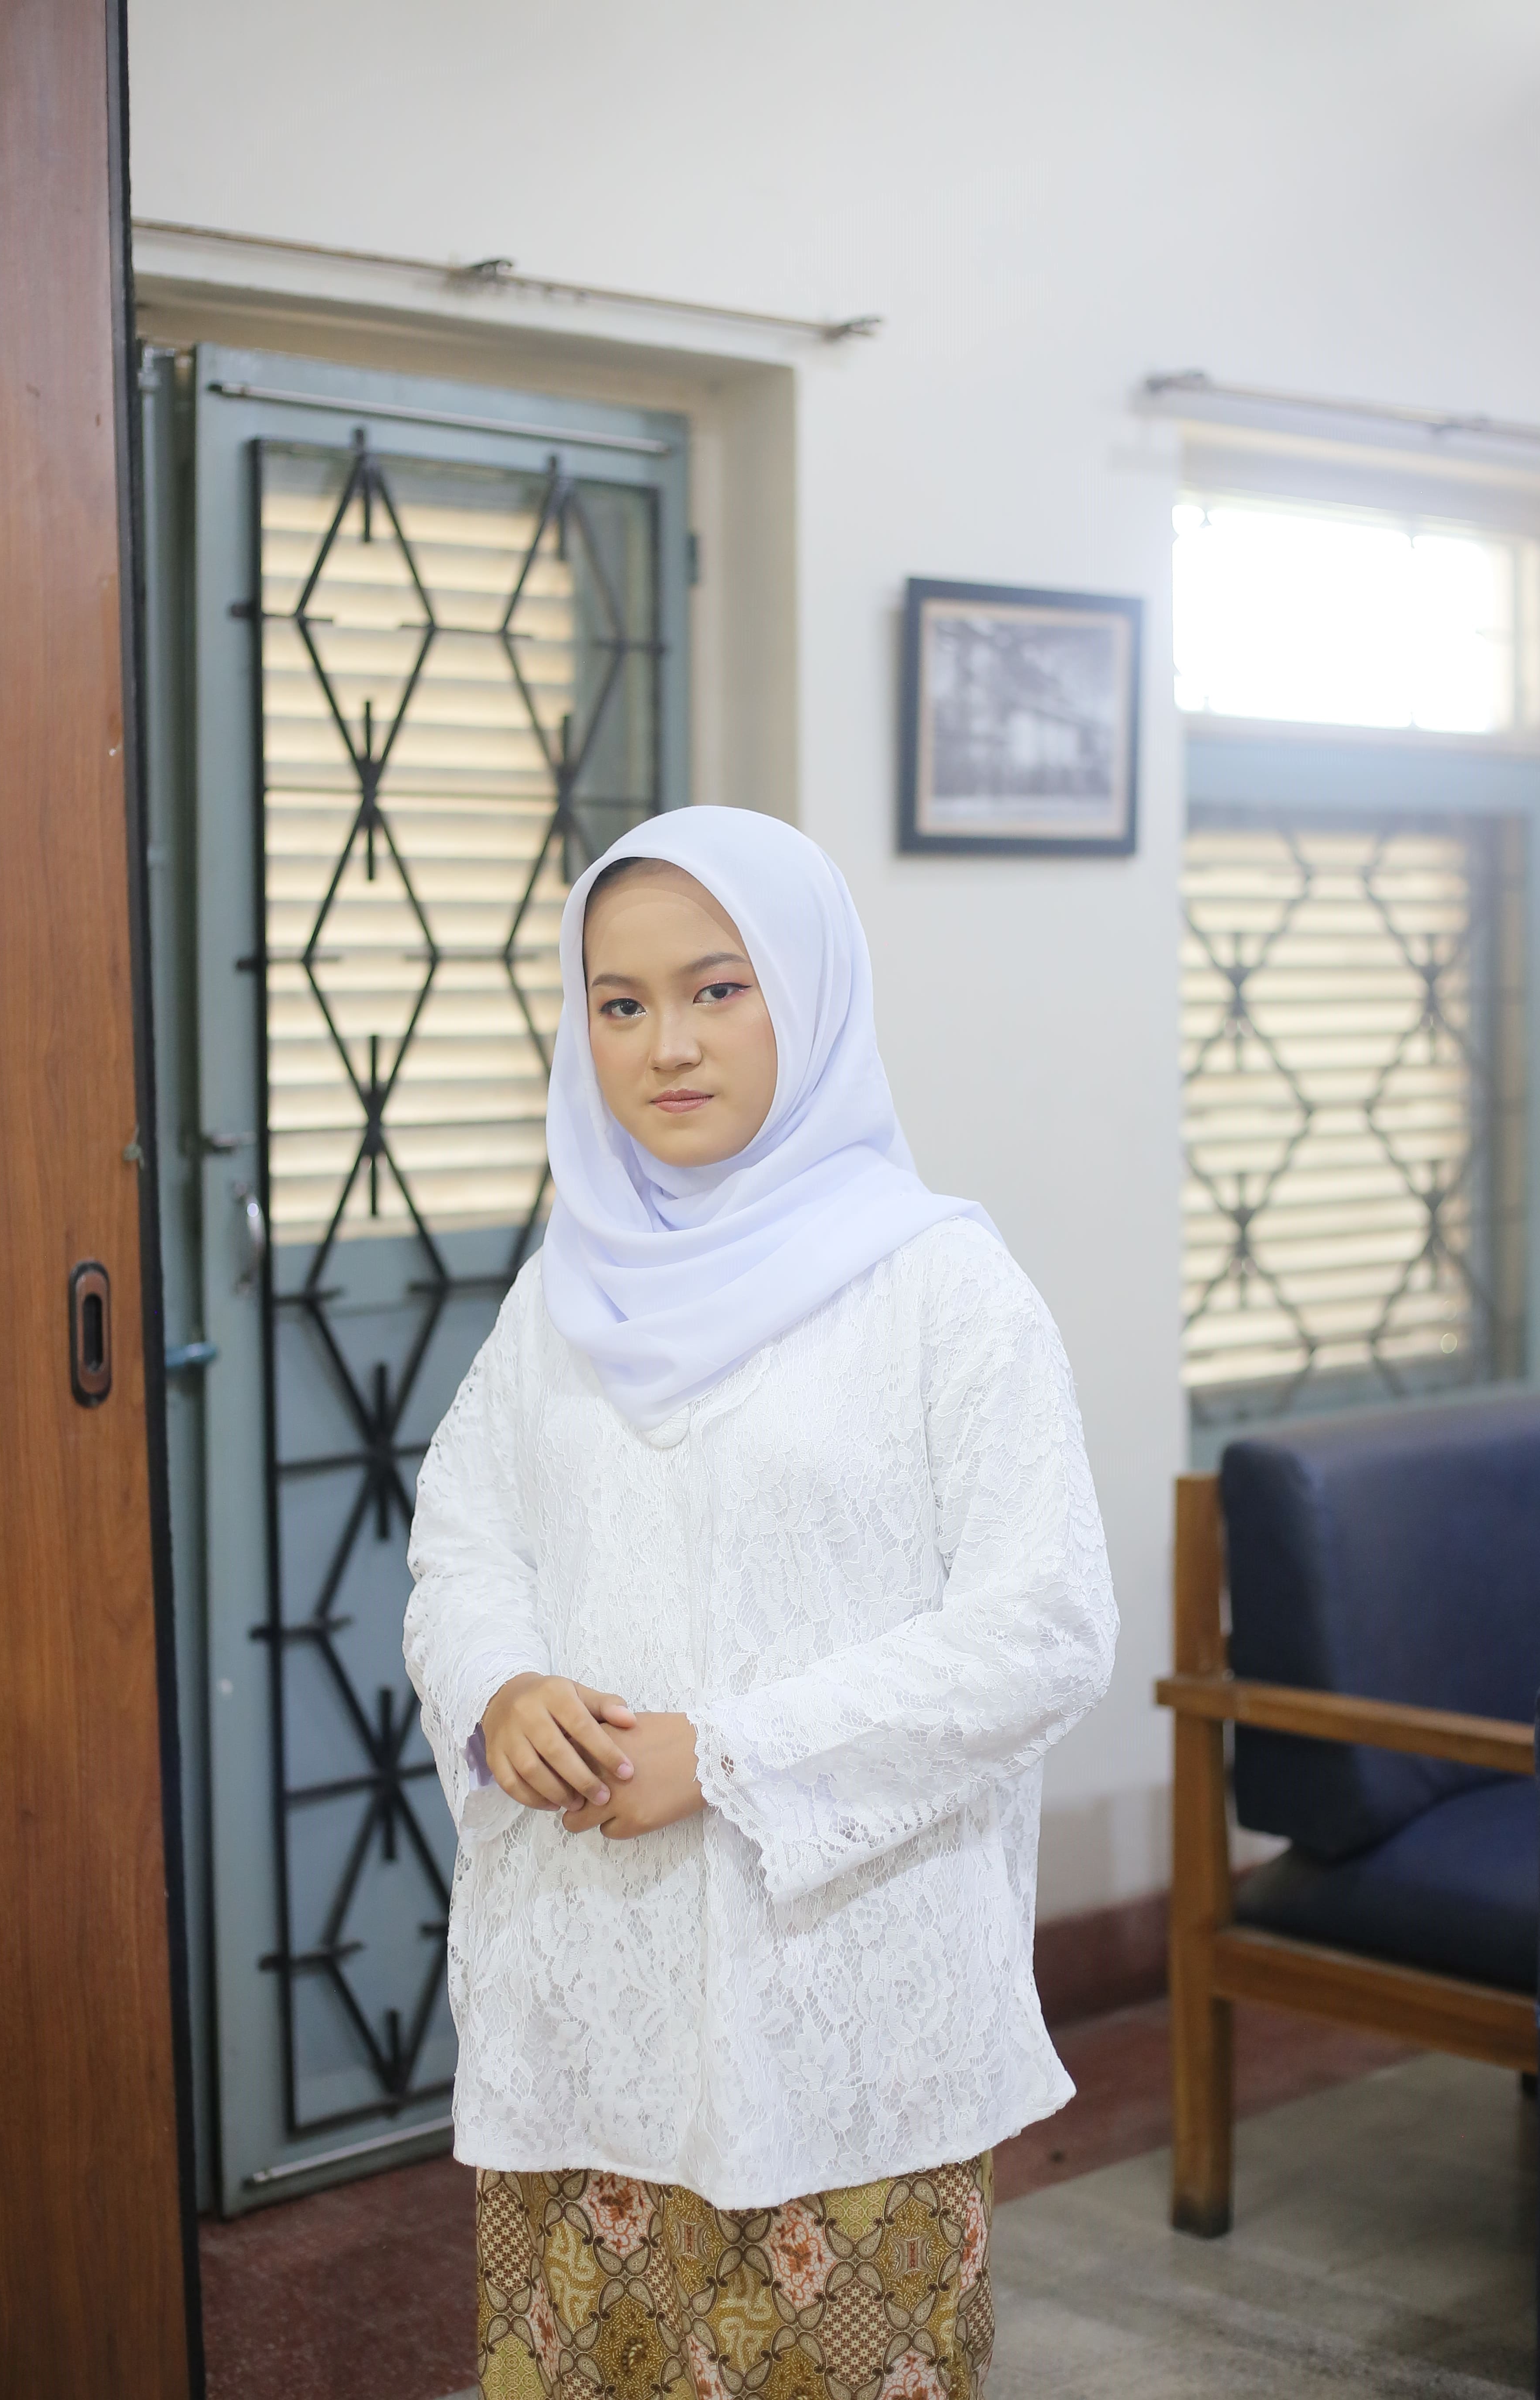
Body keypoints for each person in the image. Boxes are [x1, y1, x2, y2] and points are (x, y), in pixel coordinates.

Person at [404, 805, 1116, 2400]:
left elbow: (1046, 1624)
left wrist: (722, 1756)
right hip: (593, 1990)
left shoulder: (942, 1289)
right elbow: (465, 1537)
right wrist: (503, 1685)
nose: (667, 1044)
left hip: (836, 2004)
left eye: (717, 989)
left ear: (808, 989)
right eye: (621, 1002)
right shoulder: (563, 1292)